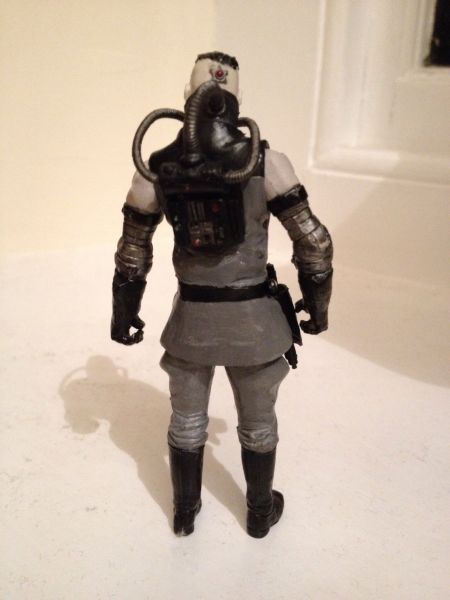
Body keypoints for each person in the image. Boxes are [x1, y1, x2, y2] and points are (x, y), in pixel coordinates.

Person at [111, 51, 333, 538]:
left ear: (186, 96)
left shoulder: (156, 169)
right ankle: (259, 512)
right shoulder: (267, 162)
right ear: (237, 98)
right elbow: (314, 243)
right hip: (254, 325)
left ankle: (185, 512)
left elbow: (132, 252)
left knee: (187, 421)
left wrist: (123, 313)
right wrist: (317, 308)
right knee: (258, 422)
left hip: (191, 322)